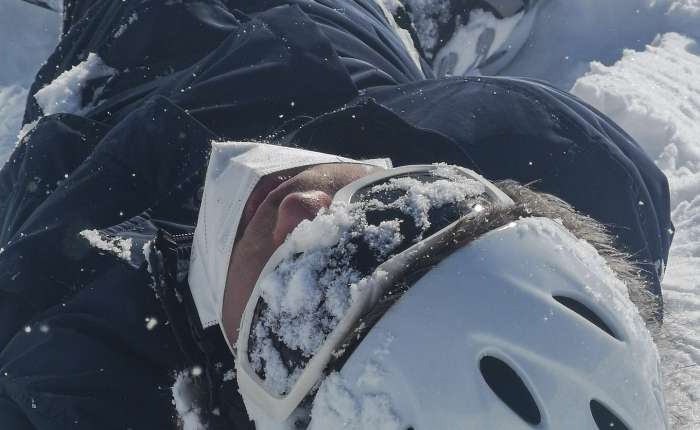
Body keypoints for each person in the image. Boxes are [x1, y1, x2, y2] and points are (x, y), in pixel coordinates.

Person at [0, 0, 672, 429]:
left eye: (305, 314)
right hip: (326, 32)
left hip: (111, 66)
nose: (301, 209)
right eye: (399, 214)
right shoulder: (560, 159)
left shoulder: (62, 373)